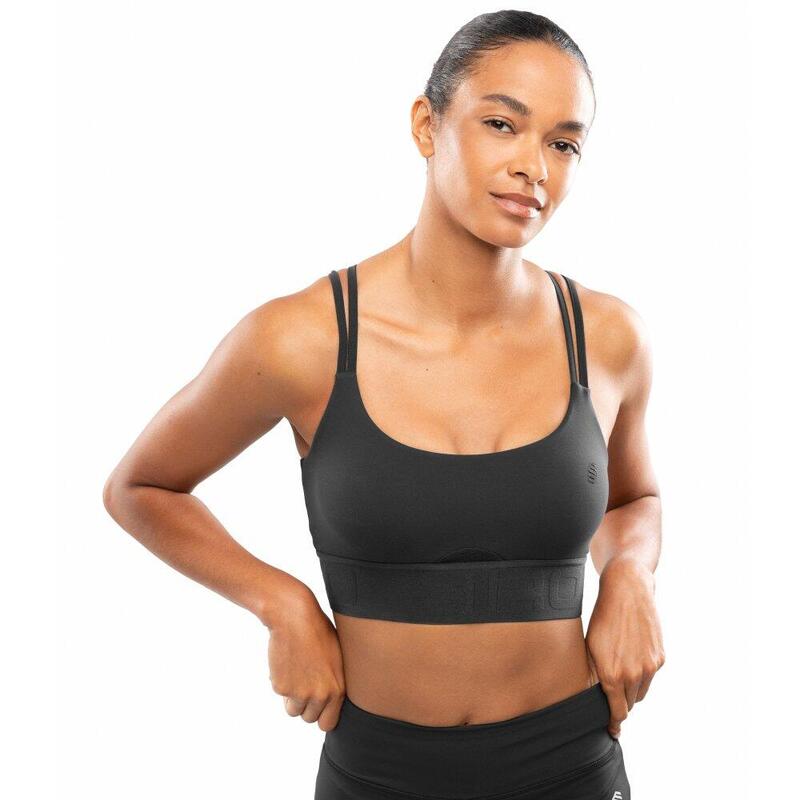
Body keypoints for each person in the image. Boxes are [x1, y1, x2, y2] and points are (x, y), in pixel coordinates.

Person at [102, 10, 664, 799]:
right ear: (427, 126)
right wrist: (282, 603)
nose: (533, 166)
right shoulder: (300, 340)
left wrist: (630, 576)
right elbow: (140, 488)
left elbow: (633, 500)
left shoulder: (606, 338)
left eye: (564, 143)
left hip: (569, 762)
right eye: (502, 124)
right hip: (377, 773)